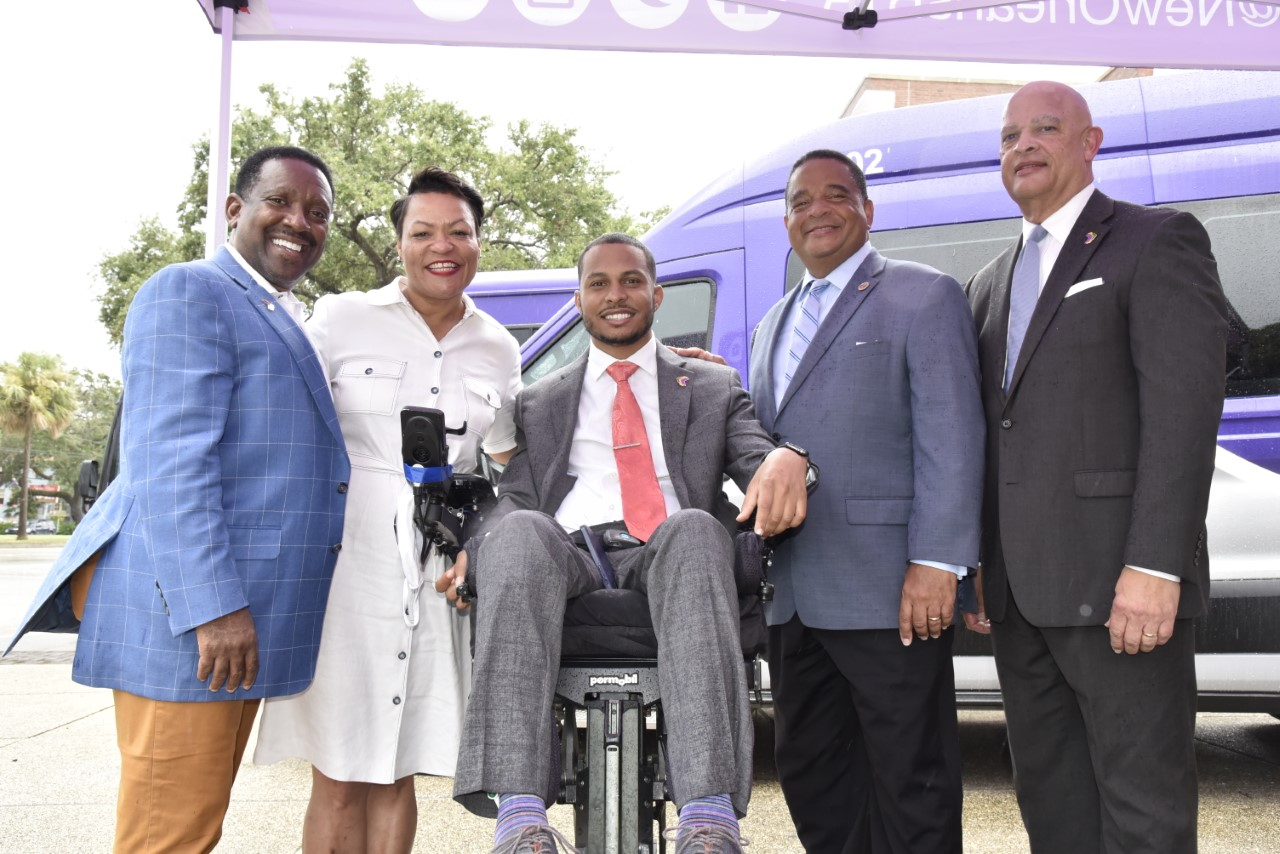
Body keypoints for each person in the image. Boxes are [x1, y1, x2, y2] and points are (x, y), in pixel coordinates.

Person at [5, 146, 349, 851]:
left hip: (232, 625)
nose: (299, 221)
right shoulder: (189, 291)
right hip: (190, 622)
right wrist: (213, 606)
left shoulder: (272, 307)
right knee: (167, 838)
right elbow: (168, 464)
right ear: (234, 210)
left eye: (317, 213)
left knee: (191, 829)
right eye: (280, 201)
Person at [436, 232, 811, 854]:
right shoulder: (542, 399)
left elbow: (757, 463)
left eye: (631, 281)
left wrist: (785, 461)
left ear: (656, 294)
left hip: (669, 549)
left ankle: (710, 817)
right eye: (599, 283)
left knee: (696, 527)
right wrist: (482, 542)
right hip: (572, 549)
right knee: (518, 531)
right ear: (580, 299)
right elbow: (520, 495)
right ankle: (521, 817)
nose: (617, 294)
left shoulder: (711, 387)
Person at [964, 82, 1228, 854]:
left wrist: (1155, 566)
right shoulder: (990, 282)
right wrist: (982, 561)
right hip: (1019, 597)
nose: (1025, 146)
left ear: (1092, 141)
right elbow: (993, 432)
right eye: (1011, 136)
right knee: (1053, 805)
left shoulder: (1156, 240)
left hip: (1123, 592)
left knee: (1143, 811)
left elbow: (1183, 419)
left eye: (1046, 128)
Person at [253, 167, 522, 853]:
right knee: (340, 770)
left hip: (437, 568)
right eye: (424, 231)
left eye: (459, 232)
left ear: (478, 243)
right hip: (349, 563)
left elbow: (513, 459)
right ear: (400, 242)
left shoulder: (498, 345)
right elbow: (283, 417)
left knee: (397, 771)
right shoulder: (342, 318)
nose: (443, 245)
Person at [747, 150, 985, 853]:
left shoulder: (922, 294)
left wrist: (939, 561)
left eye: (835, 195)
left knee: (912, 779)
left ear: (867, 209)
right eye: (800, 200)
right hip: (792, 597)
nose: (816, 209)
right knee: (814, 776)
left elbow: (952, 434)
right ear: (786, 220)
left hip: (890, 591)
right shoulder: (772, 325)